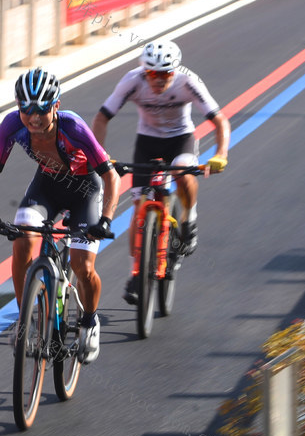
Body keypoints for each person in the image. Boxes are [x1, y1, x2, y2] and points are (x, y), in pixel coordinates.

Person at [0, 67, 119, 364]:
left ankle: (90, 322)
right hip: (46, 186)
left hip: (85, 190)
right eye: (26, 109)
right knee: (22, 242)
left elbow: (111, 176)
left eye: (41, 109)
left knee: (83, 266)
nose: (33, 117)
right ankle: (24, 320)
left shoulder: (74, 127)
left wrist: (105, 219)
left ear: (56, 106)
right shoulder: (11, 125)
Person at [91, 40, 230, 305]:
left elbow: (219, 120)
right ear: (144, 71)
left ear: (174, 71)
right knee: (138, 207)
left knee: (182, 173)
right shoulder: (132, 80)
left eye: (165, 73)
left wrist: (220, 154)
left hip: (180, 139)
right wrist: (100, 156)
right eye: (152, 73)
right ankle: (136, 273)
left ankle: (189, 219)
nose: (158, 79)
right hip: (148, 143)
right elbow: (101, 118)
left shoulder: (188, 82)